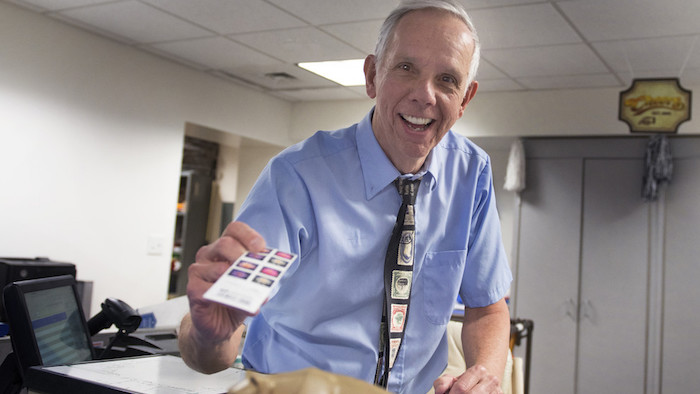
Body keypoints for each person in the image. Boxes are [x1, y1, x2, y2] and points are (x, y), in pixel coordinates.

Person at [178, 1, 512, 393]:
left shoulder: (472, 174)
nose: (425, 95)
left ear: (465, 99)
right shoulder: (296, 178)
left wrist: (484, 374)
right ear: (372, 75)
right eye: (406, 68)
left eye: (447, 79)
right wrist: (209, 336)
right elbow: (216, 343)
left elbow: (487, 306)